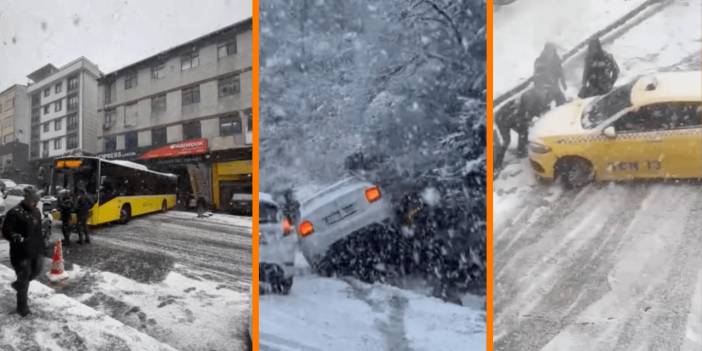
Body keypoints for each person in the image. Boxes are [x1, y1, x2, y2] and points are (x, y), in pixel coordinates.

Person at [2, 186, 44, 317]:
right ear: (26, 199)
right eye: (33, 201)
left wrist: (43, 245)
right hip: (20, 252)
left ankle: (18, 284)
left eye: (37, 201)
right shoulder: (14, 212)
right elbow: (6, 231)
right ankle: (22, 308)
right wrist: (14, 236)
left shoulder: (36, 211)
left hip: (35, 249)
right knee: (25, 277)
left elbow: (38, 231)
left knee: (36, 271)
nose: (36, 203)